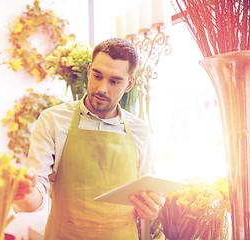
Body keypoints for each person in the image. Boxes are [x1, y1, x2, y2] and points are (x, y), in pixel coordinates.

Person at [13, 38, 165, 240]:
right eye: (97, 75)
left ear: (128, 84)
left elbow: (148, 196)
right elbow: (37, 191)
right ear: (89, 70)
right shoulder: (53, 120)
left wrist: (151, 208)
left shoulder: (140, 130)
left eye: (114, 81)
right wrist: (24, 193)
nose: (102, 89)